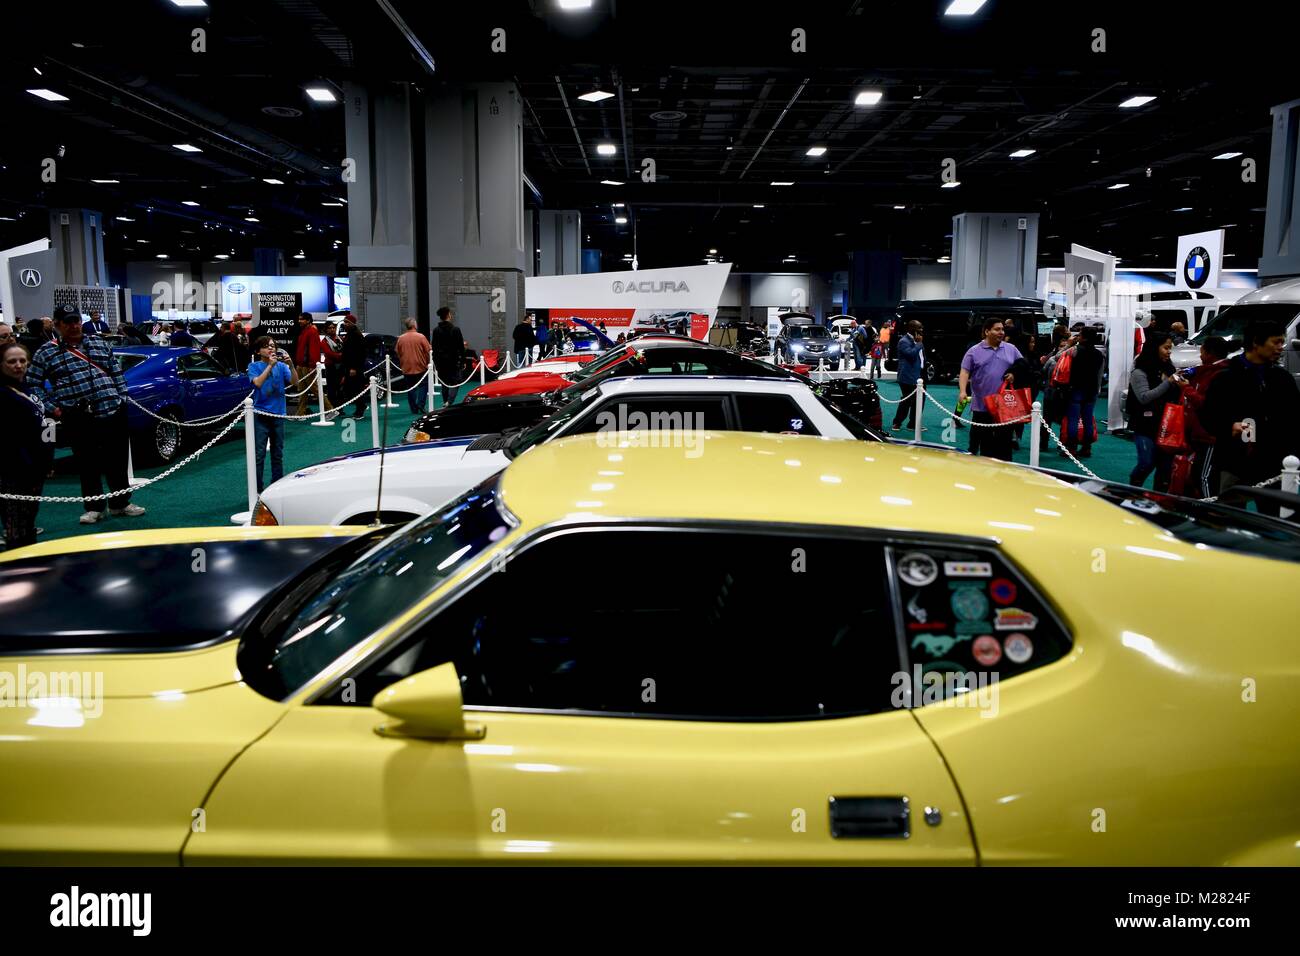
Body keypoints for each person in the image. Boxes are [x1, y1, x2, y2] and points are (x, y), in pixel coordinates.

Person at [26, 305, 144, 524]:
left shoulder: (99, 343)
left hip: (111, 410)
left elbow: (116, 372)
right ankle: (94, 507)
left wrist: (122, 397)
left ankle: (120, 503)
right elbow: (33, 384)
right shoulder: (46, 351)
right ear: (58, 324)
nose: (74, 326)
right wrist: (54, 408)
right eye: (68, 322)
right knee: (87, 463)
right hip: (77, 415)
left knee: (117, 461)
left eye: (77, 320)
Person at [1201, 318, 1300, 514]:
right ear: (1256, 342)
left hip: (1274, 463)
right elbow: (1208, 416)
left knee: (1276, 520)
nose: (1281, 347)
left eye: (1282, 342)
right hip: (1234, 460)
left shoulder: (1283, 378)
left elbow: (1295, 419)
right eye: (1276, 342)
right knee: (1229, 519)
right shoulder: (1225, 378)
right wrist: (1229, 426)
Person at [1, 342, 54, 550]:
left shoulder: (26, 387)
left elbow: (44, 424)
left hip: (36, 468)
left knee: (29, 520)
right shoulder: (3, 394)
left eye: (22, 361)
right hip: (14, 470)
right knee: (16, 525)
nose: (18, 365)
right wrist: (28, 466)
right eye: (12, 361)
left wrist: (46, 461)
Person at [958, 317, 1024, 461]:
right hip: (982, 406)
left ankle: (1004, 470)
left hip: (1004, 407)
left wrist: (1014, 373)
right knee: (983, 442)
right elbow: (964, 372)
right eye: (997, 329)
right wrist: (963, 391)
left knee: (1005, 443)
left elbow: (1023, 366)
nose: (1001, 332)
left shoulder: (1011, 349)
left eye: (1002, 329)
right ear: (987, 331)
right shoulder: (973, 351)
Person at [1126, 330, 1185, 491]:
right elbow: (1144, 397)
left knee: (1165, 467)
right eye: (1166, 348)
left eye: (1170, 348)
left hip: (1167, 426)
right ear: (1155, 348)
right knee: (1146, 462)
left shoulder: (1169, 368)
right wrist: (1169, 382)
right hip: (1145, 426)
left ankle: (1160, 500)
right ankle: (1133, 491)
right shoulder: (1139, 372)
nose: (1169, 352)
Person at [1183, 335, 1233, 498]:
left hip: (1209, 436)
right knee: (1198, 476)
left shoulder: (1219, 375)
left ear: (1210, 353)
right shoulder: (1206, 371)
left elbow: (1205, 404)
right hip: (1200, 434)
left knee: (1203, 477)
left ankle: (1210, 513)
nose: (1200, 354)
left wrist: (1186, 388)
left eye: (1202, 350)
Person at [247, 336, 297, 493]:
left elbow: (295, 383)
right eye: (267, 346)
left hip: (278, 416)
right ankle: (257, 490)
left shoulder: (282, 366)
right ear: (258, 350)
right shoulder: (253, 366)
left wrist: (291, 365)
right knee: (259, 455)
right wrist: (269, 366)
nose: (271, 349)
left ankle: (276, 488)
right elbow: (258, 383)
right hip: (261, 415)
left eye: (273, 346)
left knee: (277, 454)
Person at [1065, 326, 1104, 458]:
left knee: (1073, 419)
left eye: (1080, 335)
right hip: (1091, 390)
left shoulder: (1074, 350)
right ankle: (1087, 448)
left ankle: (1072, 448)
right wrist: (1097, 390)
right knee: (1088, 420)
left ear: (1084, 337)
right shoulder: (1099, 354)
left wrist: (1068, 344)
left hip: (1076, 388)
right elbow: (1100, 375)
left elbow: (1058, 357)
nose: (1078, 337)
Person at [291, 313, 336, 417]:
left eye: (301, 319)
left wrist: (313, 365)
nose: (299, 321)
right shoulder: (305, 331)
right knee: (302, 391)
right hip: (301, 365)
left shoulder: (312, 331)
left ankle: (331, 410)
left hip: (308, 366)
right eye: (299, 319)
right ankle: (300, 414)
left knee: (315, 389)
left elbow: (314, 350)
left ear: (308, 320)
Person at [891, 320, 925, 433]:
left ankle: (913, 424)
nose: (921, 330)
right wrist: (919, 344)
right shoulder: (903, 341)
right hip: (907, 376)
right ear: (911, 328)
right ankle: (897, 423)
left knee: (919, 401)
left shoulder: (918, 339)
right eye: (919, 328)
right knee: (907, 400)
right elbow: (911, 355)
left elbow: (920, 356)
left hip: (919, 376)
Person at [429, 306, 466, 406]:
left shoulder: (436, 330)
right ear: (448, 315)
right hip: (453, 361)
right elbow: (461, 347)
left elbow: (434, 348)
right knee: (456, 382)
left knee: (444, 383)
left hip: (441, 362)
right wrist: (463, 360)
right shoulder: (455, 329)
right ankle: (449, 401)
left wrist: (435, 361)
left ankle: (445, 401)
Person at [395, 317, 432, 413]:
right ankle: (421, 404)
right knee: (423, 385)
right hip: (421, 367)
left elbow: (397, 352)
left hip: (406, 367)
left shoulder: (400, 338)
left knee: (410, 388)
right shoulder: (421, 337)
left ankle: (413, 408)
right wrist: (428, 362)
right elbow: (428, 351)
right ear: (414, 325)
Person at [338, 314, 369, 419]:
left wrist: (354, 368)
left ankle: (361, 409)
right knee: (350, 389)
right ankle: (361, 407)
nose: (345, 324)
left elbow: (359, 353)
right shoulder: (349, 334)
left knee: (356, 389)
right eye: (344, 322)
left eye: (347, 322)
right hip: (349, 367)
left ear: (352, 323)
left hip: (354, 368)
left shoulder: (356, 335)